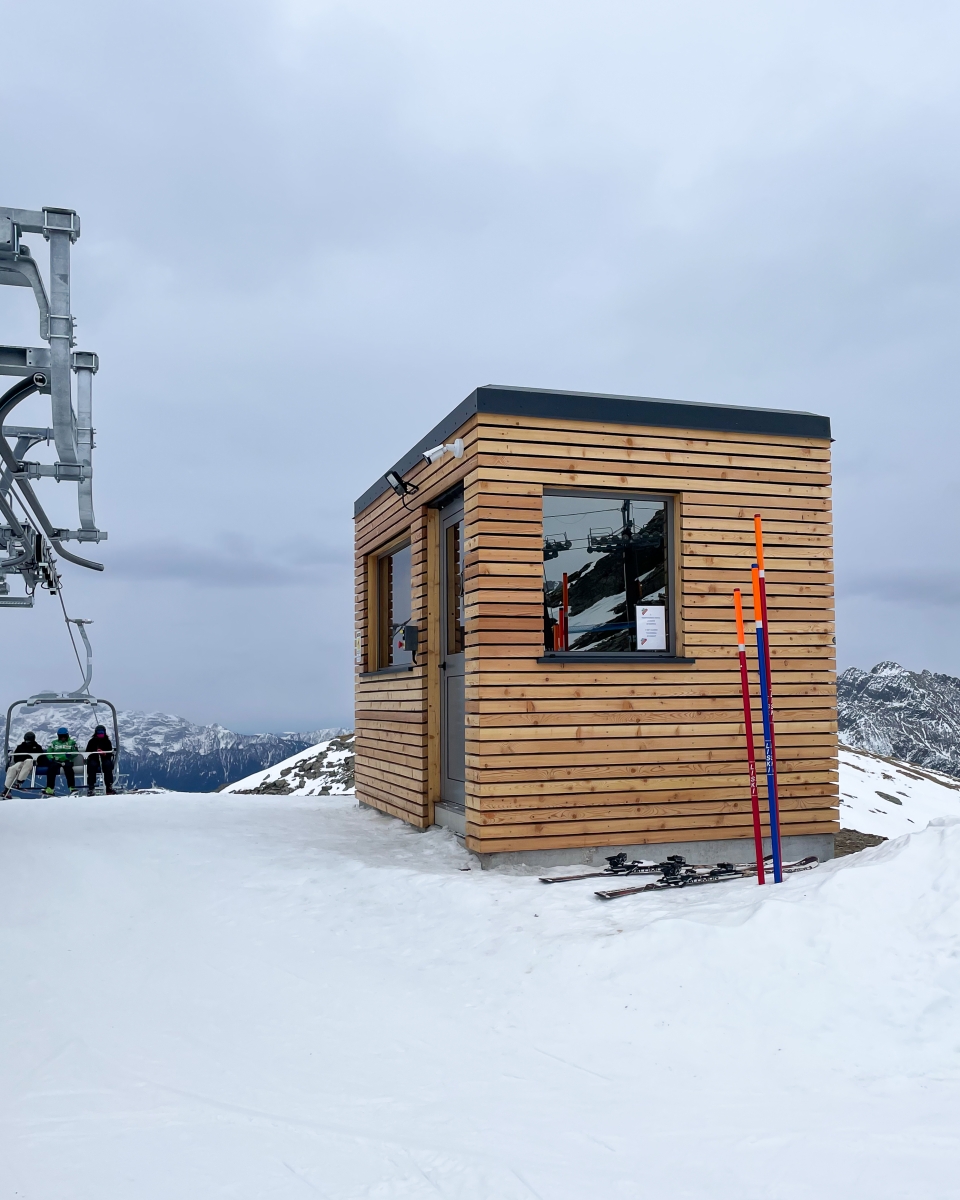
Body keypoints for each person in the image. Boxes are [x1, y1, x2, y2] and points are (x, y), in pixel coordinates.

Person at [2, 731, 44, 797]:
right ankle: (7, 790)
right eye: (27, 740)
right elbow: (16, 757)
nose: (28, 742)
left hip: (32, 762)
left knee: (29, 761)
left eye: (29, 741)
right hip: (21, 762)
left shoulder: (37, 747)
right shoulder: (20, 747)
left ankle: (19, 782)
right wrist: (22, 759)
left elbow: (41, 758)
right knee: (11, 769)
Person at [44, 727, 79, 795]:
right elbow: (49, 752)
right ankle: (50, 788)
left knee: (69, 770)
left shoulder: (72, 742)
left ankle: (72, 787)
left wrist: (71, 755)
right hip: (56, 761)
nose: (63, 738)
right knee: (51, 769)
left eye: (64, 736)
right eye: (61, 736)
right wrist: (51, 758)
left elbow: (75, 752)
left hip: (67, 760)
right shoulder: (54, 743)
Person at [85, 724, 116, 795]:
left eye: (102, 732)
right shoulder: (92, 741)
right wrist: (95, 753)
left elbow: (110, 753)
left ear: (104, 732)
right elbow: (87, 752)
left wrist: (104, 754)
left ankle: (109, 786)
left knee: (107, 765)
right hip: (94, 759)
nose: (100, 734)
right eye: (99, 732)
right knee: (92, 765)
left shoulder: (107, 742)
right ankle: (91, 787)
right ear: (96, 733)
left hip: (104, 759)